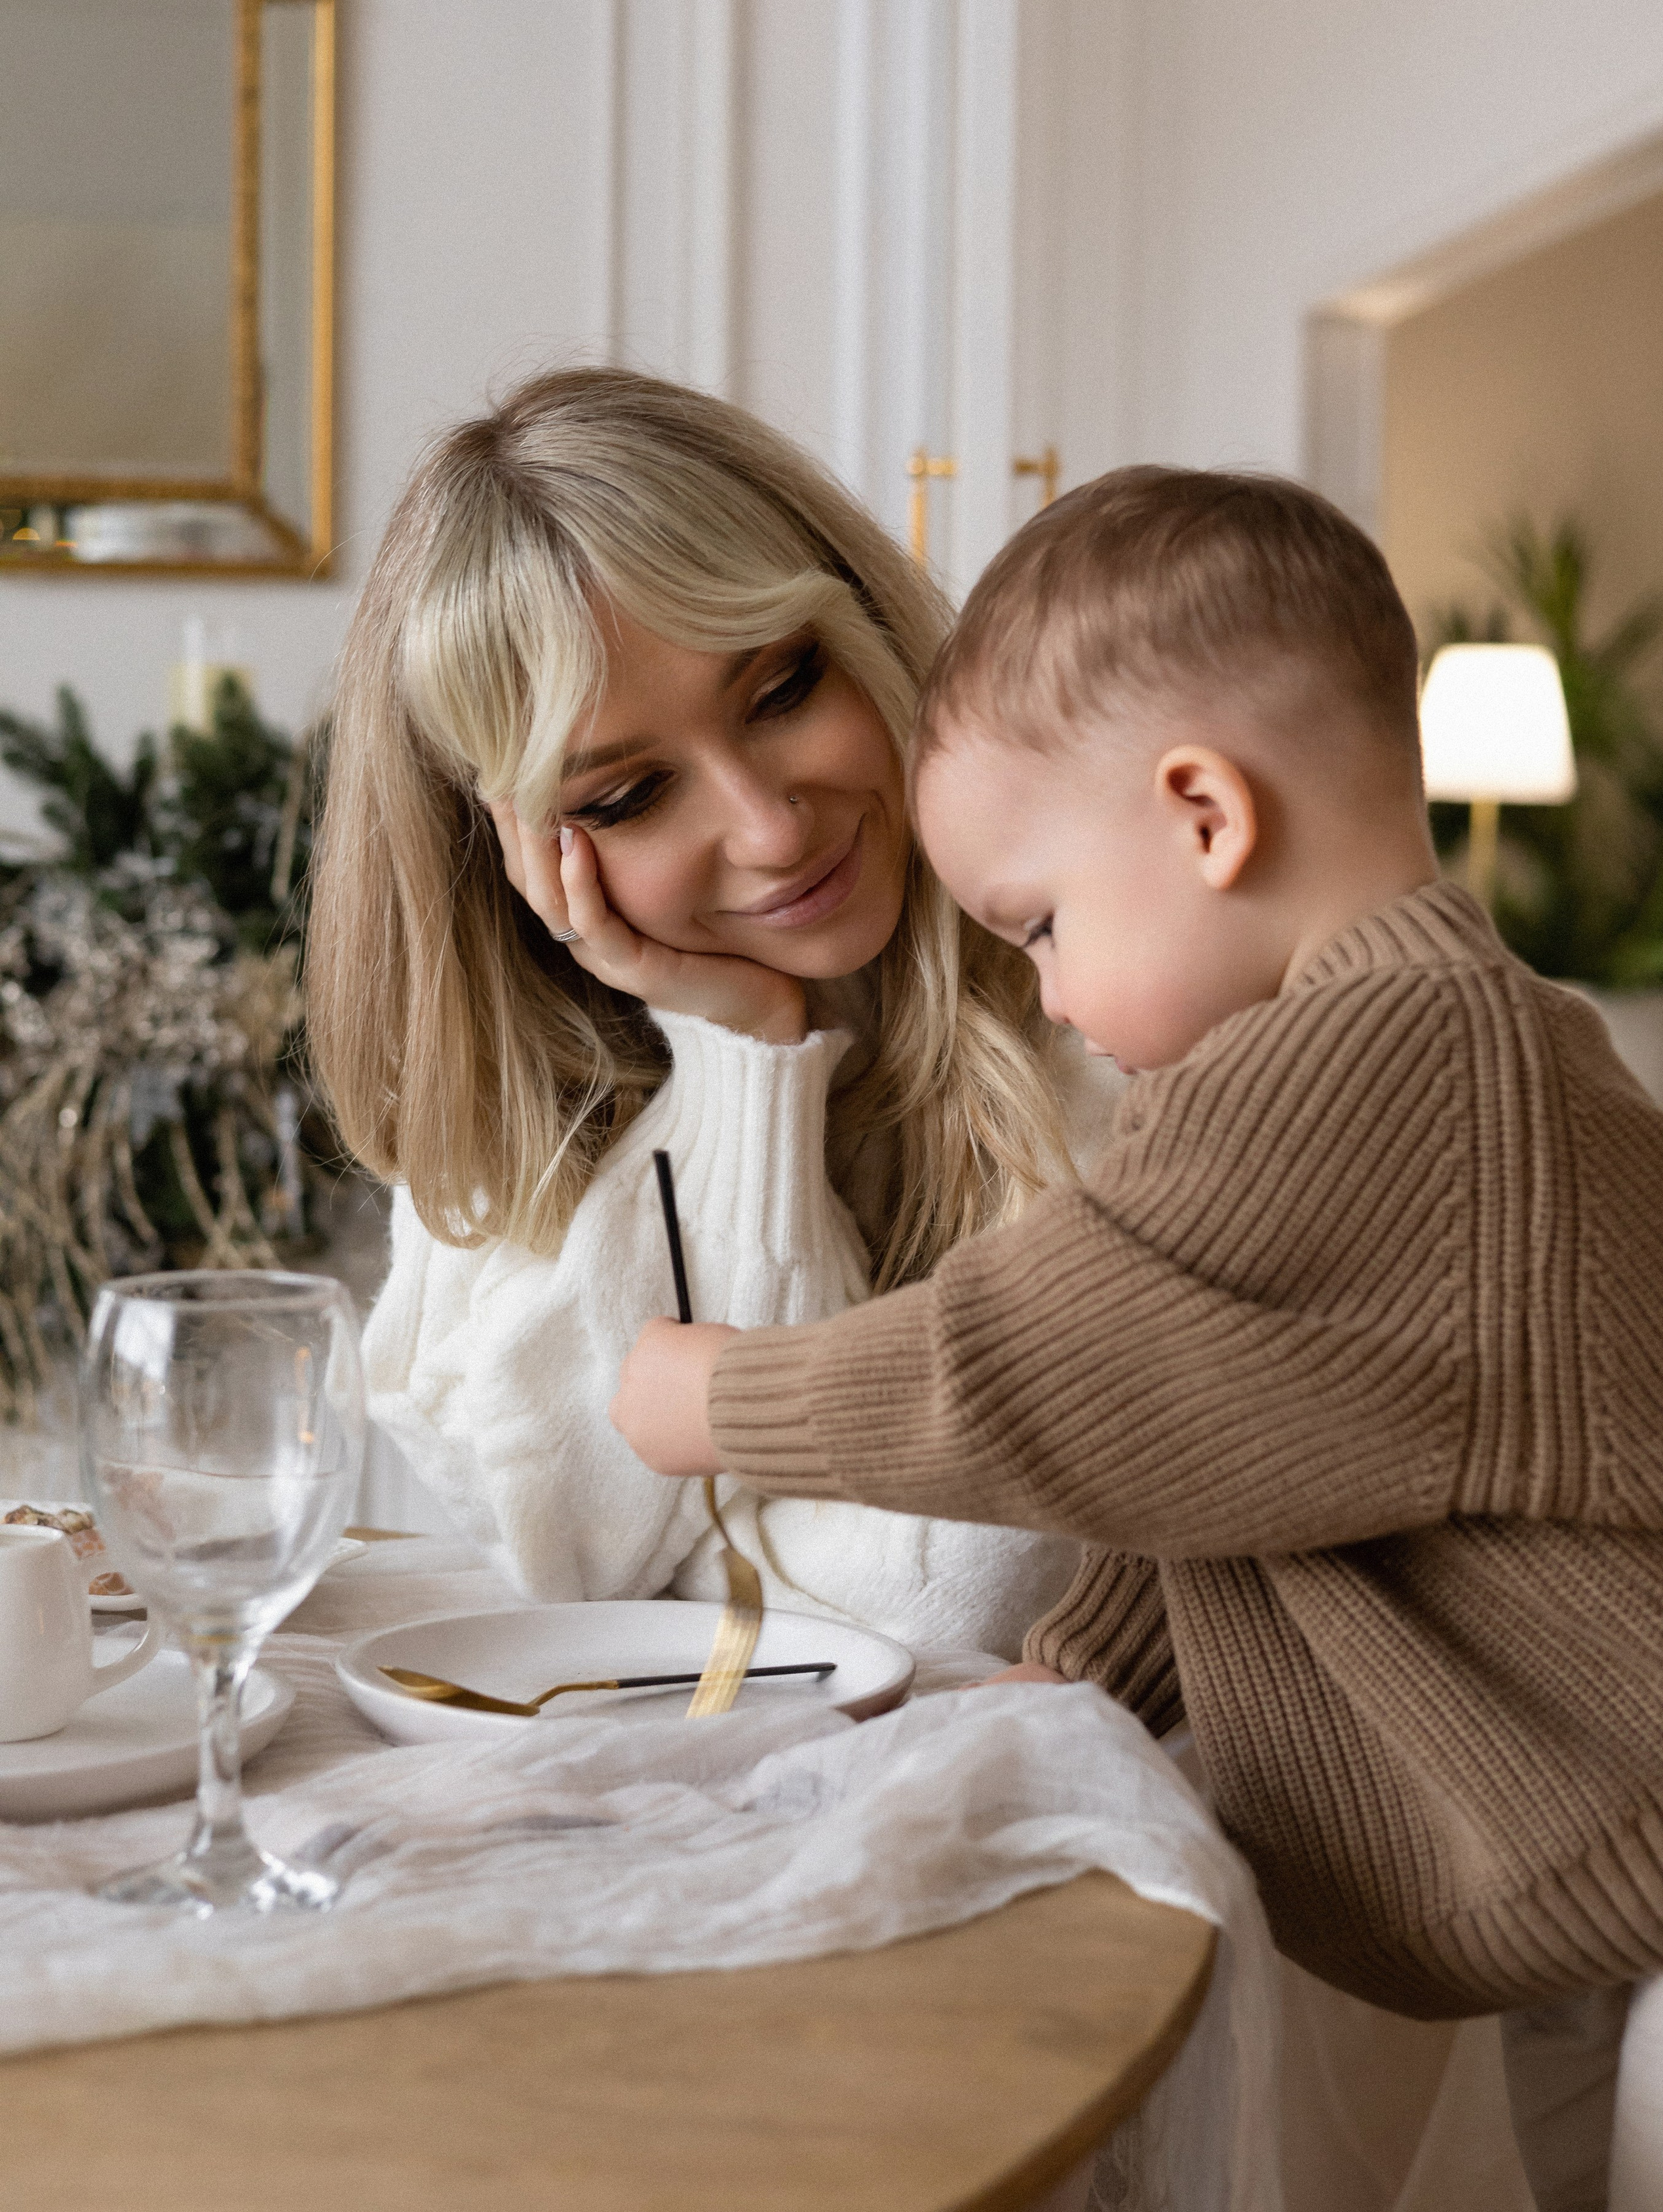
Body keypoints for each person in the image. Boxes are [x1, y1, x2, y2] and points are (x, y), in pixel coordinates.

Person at [612, 466, 1663, 2212]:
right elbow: (1271, 1459)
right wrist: (1104, 1661)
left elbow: (1068, 1363)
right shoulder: (1403, 1049)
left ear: (1202, 814)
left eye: (1033, 926)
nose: (1035, 997)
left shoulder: (1404, 1065)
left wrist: (729, 1398)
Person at [306, 363, 1096, 1655]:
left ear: (865, 635)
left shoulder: (1110, 997)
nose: (769, 827)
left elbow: (967, 1591)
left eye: (783, 688)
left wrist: (705, 1554)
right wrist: (739, 1050)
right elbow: (571, 1561)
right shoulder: (512, 1129)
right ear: (509, 861)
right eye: (625, 797)